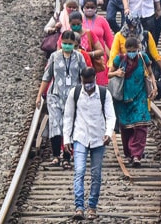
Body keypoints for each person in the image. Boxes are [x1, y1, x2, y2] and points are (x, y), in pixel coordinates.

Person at [63, 66, 115, 221]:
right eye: (85, 82)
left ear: (95, 80)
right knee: (79, 171)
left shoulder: (104, 94)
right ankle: (79, 207)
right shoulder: (75, 93)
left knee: (96, 174)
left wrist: (108, 133)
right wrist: (67, 139)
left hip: (99, 138)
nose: (88, 85)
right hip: (80, 137)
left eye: (90, 82)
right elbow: (68, 116)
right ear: (81, 80)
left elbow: (111, 116)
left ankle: (92, 206)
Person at [37, 30, 89, 170]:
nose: (66, 46)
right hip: (55, 95)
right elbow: (46, 77)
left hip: (72, 97)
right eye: (64, 43)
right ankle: (55, 156)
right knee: (55, 124)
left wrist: (87, 95)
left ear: (74, 44)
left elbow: (85, 76)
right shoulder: (54, 57)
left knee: (69, 126)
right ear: (60, 43)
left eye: (69, 44)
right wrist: (39, 96)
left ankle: (67, 157)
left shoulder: (79, 57)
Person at [108, 37, 154, 167]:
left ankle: (136, 155)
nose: (132, 53)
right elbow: (108, 74)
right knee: (126, 128)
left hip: (140, 97)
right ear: (125, 50)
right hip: (123, 98)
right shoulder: (119, 59)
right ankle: (129, 153)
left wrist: (154, 86)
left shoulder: (143, 58)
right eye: (129, 51)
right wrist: (117, 72)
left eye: (134, 50)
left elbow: (150, 73)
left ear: (138, 49)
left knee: (141, 126)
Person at [77, 0, 114, 87]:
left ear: (96, 8)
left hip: (99, 58)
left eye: (92, 7)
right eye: (87, 7)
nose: (89, 9)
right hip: (83, 57)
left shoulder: (102, 20)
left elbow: (110, 40)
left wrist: (114, 58)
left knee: (100, 85)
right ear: (83, 8)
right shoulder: (79, 21)